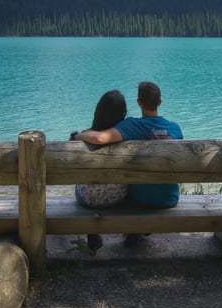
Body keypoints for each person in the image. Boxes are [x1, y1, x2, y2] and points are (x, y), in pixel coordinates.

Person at [73, 81, 182, 244]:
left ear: (139, 102)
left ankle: (131, 233)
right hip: (170, 198)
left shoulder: (133, 126)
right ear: (160, 102)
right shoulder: (175, 129)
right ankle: (134, 234)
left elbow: (101, 138)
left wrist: (78, 136)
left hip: (142, 199)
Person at [70, 89, 130, 252]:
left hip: (88, 199)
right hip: (119, 197)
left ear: (98, 110)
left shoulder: (84, 137)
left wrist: (76, 136)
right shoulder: (127, 136)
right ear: (123, 113)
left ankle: (93, 236)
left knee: (84, 185)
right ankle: (133, 234)